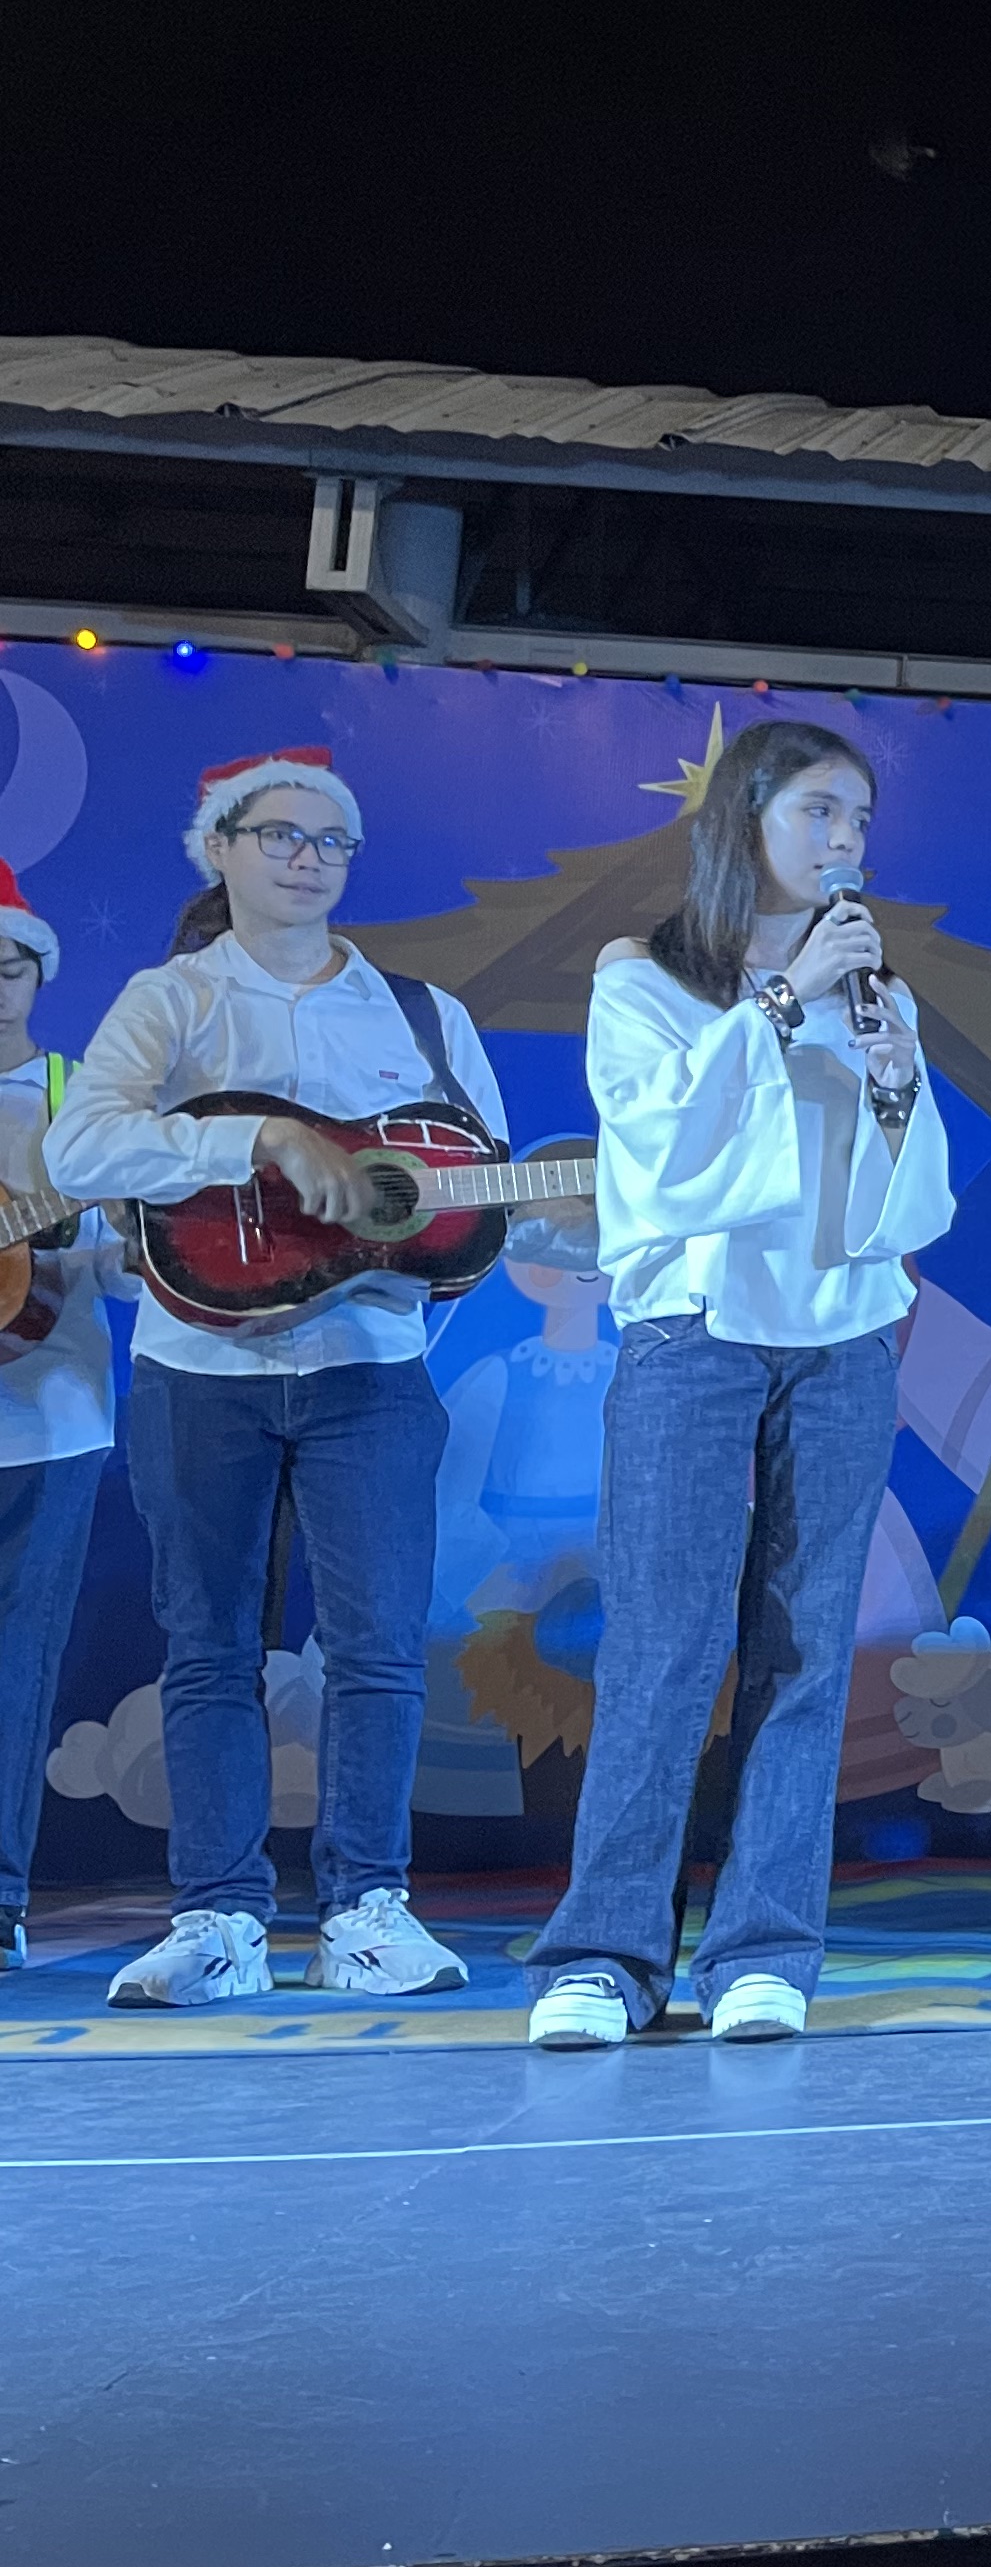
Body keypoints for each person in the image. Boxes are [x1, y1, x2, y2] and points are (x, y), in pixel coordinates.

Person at [48, 747, 564, 2007]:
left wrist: (572, 1222)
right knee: (209, 1645)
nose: (305, 857)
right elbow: (80, 1147)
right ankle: (219, 1918)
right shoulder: (170, 1001)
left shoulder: (421, 1016)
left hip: (370, 1370)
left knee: (378, 1648)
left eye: (331, 840)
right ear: (219, 848)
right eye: (277, 833)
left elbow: (480, 1196)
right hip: (197, 1367)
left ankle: (367, 1910)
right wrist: (265, 1138)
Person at [525, 721, 953, 2048]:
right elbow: (657, 1146)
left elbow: (907, 1196)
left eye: (860, 819)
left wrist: (894, 1086)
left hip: (840, 1342)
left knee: (809, 1650)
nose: (845, 841)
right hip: (694, 1338)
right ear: (746, 818)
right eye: (821, 810)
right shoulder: (645, 976)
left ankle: (766, 1949)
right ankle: (603, 1956)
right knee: (663, 1645)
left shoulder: (875, 992)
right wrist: (779, 1002)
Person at [0, 861, 114, 1973]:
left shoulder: (82, 1100)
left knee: (17, 1665)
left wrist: (97, 1241)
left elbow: (127, 1266)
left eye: (11, 966)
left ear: (39, 975)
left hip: (53, 1420)